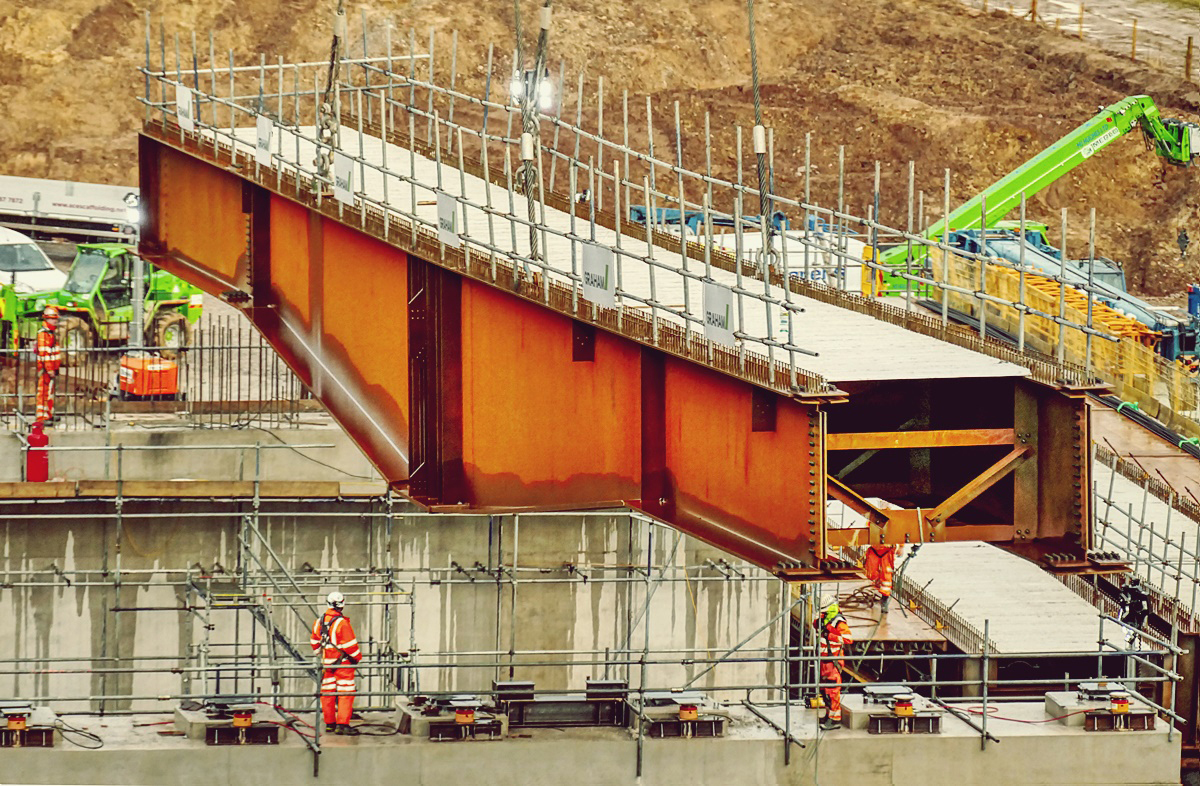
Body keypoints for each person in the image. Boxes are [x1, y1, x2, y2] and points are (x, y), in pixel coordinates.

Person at [310, 590, 362, 735]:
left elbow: (314, 642)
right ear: (342, 604)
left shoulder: (319, 621)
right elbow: (350, 646)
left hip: (327, 664)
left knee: (327, 693)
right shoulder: (342, 623)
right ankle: (343, 724)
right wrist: (357, 658)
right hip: (343, 664)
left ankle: (330, 723)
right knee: (345, 693)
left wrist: (319, 651)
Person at [815, 602, 853, 731]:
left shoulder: (838, 622)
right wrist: (818, 623)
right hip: (825, 659)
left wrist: (830, 634)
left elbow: (848, 639)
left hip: (833, 661)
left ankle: (835, 719)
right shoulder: (826, 618)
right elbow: (818, 626)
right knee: (825, 690)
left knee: (832, 690)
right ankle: (828, 715)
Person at [35, 306, 61, 424]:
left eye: (55, 318)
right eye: (52, 319)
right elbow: (44, 353)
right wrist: (49, 369)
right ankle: (41, 417)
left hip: (52, 368)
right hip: (45, 369)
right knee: (43, 392)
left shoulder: (51, 333)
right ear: (46, 319)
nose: (55, 321)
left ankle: (49, 413)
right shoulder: (44, 334)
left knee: (50, 392)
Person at [863, 544, 898, 614]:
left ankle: (885, 599)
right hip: (874, 550)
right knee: (871, 574)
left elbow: (899, 534)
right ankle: (876, 590)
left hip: (887, 552)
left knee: (886, 577)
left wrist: (901, 547)